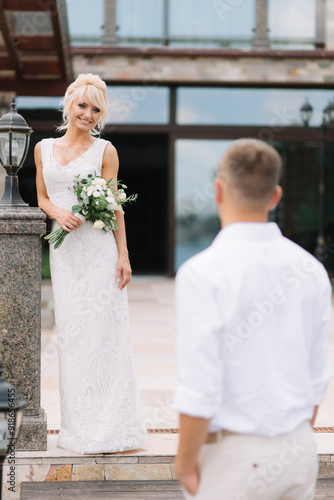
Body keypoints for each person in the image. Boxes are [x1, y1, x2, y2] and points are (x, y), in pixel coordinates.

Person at [173, 139, 332, 499]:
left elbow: (201, 388)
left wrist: (184, 464)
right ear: (275, 197)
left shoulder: (202, 273)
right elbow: (317, 374)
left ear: (217, 190)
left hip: (234, 459)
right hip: (298, 449)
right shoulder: (311, 270)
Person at [35, 73, 148, 454]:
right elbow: (42, 198)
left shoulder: (107, 151)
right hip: (66, 252)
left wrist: (124, 254)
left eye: (95, 109)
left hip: (98, 251)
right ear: (69, 103)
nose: (88, 114)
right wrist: (58, 213)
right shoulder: (43, 148)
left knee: (104, 332)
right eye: (82, 105)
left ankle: (114, 429)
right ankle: (79, 428)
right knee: (73, 334)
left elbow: (114, 203)